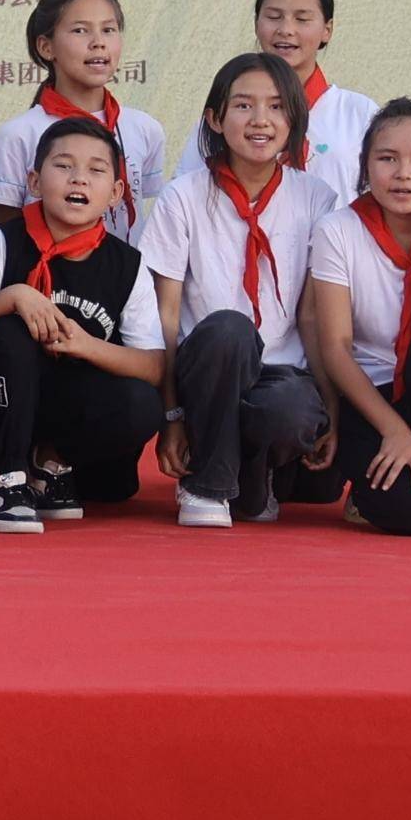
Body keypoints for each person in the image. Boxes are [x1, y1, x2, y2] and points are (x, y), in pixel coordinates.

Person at [146, 53, 337, 529]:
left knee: (290, 411)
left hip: (279, 372)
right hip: (205, 368)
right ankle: (206, 485)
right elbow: (164, 316)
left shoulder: (317, 198)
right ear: (215, 118)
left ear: (294, 119)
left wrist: (330, 409)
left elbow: (312, 316)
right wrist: (171, 416)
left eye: (276, 106)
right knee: (230, 329)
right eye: (244, 105)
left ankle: (252, 480)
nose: (260, 120)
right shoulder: (183, 196)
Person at [0, 118, 165, 532]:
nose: (79, 178)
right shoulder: (1, 242)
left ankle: (49, 461)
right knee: (8, 331)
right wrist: (12, 296)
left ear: (116, 193)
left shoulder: (127, 266)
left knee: (137, 419)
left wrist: (85, 344)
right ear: (34, 181)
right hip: (1, 394)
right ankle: (6, 477)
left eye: (96, 169)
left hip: (71, 398)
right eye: (64, 166)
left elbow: (152, 366)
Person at [299, 99, 411, 536]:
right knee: (410, 514)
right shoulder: (337, 230)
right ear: (365, 166)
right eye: (387, 159)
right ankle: (379, 490)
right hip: (369, 396)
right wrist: (394, 430)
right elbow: (335, 347)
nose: (404, 173)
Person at [0, 0, 167, 241]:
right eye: (80, 30)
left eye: (108, 30)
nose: (98, 43)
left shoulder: (145, 128)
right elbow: (8, 239)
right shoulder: (18, 135)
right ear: (46, 47)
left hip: (124, 266)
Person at [175, 0, 374, 183]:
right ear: (256, 24)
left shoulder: (359, 113)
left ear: (327, 29)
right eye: (273, 17)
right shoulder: (227, 115)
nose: (286, 29)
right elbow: (186, 191)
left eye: (302, 19)